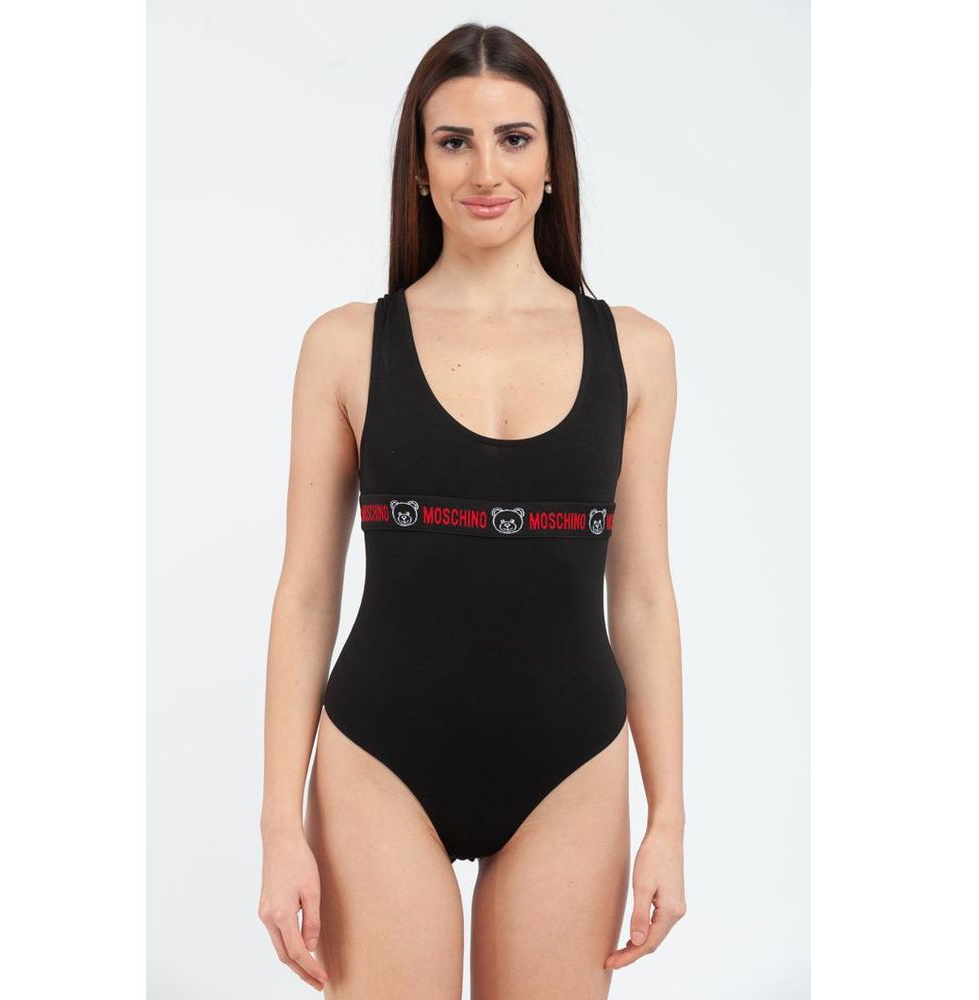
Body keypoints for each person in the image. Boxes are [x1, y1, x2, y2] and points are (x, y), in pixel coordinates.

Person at [258, 22, 685, 998]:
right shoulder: (344, 346)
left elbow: (644, 594)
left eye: (514, 138)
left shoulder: (639, 351)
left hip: (570, 762)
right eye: (454, 141)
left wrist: (668, 818)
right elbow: (307, 591)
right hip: (380, 758)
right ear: (419, 165)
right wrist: (280, 825)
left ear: (552, 161)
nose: (485, 170)